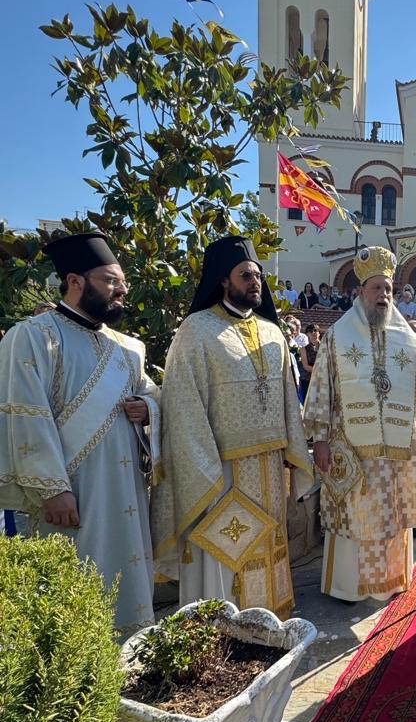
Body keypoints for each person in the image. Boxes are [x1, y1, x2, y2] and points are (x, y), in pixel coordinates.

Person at [0, 232, 161, 634]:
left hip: (125, 491)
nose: (121, 290)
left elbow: (152, 395)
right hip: (70, 493)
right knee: (71, 596)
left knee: (126, 583)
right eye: (110, 281)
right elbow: (25, 415)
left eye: (123, 282)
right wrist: (52, 488)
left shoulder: (129, 348)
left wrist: (149, 409)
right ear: (74, 281)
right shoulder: (33, 336)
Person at [152, 237, 313, 616]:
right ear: (223, 280)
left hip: (270, 467)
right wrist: (202, 468)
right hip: (219, 471)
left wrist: (292, 450)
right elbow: (182, 405)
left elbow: (287, 398)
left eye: (258, 276)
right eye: (245, 276)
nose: (255, 282)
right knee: (225, 552)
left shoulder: (272, 332)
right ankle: (219, 626)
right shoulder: (196, 330)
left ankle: (269, 622)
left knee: (267, 545)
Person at [303, 246, 416, 601]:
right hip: (351, 446)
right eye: (376, 288)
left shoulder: (407, 337)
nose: (383, 295)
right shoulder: (338, 335)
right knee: (354, 512)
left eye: (388, 289)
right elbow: (320, 388)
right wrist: (320, 439)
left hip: (395, 449)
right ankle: (349, 586)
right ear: (361, 291)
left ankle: (389, 581)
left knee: (390, 512)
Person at [298, 322, 321, 401]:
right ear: (307, 334)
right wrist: (320, 371)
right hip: (308, 379)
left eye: (315, 330)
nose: (313, 332)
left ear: (319, 333)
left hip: (323, 379)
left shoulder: (326, 347)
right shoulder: (303, 349)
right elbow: (306, 366)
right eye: (310, 331)